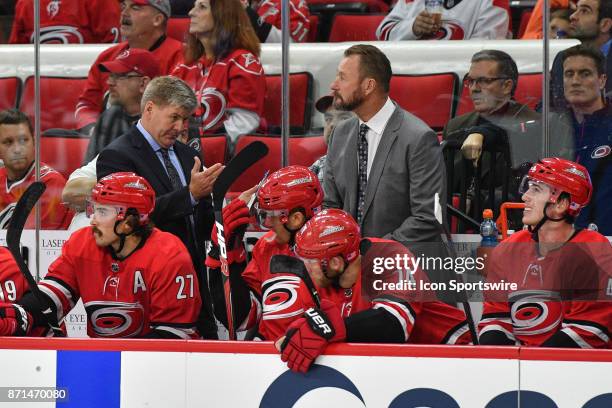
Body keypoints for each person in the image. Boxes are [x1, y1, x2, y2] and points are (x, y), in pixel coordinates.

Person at [0, 172, 203, 339]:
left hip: (161, 368)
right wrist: (20, 313)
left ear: (129, 222)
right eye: (94, 210)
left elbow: (174, 336)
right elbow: (54, 296)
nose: (93, 221)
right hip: (103, 358)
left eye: (103, 212)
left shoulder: (169, 255)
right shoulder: (82, 243)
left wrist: (118, 357)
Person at [97, 75, 222, 338]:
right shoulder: (116, 156)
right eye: (174, 117)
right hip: (144, 287)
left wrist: (224, 211)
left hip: (193, 283)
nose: (180, 127)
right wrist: (189, 195)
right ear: (150, 108)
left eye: (185, 120)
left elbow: (202, 223)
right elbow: (129, 221)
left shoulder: (189, 155)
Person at [275, 209, 471, 373]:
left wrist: (329, 328)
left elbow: (394, 324)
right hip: (397, 366)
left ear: (334, 262)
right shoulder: (322, 279)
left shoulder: (389, 256)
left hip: (457, 357)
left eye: (310, 262)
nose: (306, 269)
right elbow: (300, 329)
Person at [479, 158, 612, 348]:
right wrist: (504, 365)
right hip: (524, 366)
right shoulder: (509, 249)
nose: (525, 196)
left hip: (579, 371)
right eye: (528, 187)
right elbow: (496, 319)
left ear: (561, 204)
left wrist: (533, 367)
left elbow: (590, 330)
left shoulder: (593, 250)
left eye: (536, 189)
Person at [324, 44, 446, 244]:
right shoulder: (340, 134)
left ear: (368, 86)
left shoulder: (419, 138)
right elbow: (331, 205)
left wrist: (372, 253)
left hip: (403, 265)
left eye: (342, 77)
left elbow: (429, 217)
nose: (334, 85)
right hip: (350, 266)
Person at [206, 165, 323, 340]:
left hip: (323, 355)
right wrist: (224, 251)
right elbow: (242, 319)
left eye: (270, 215)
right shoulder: (267, 246)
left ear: (296, 218)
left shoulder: (333, 247)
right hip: (270, 356)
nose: (267, 224)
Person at [443, 50, 540, 218]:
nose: (474, 89)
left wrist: (473, 202)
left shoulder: (533, 126)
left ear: (507, 86)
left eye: (483, 81)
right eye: (471, 81)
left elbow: (521, 190)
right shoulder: (455, 126)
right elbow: (443, 183)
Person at [75, 0, 183, 131]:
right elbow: (87, 105)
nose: (124, 13)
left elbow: (177, 111)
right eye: (123, 6)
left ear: (157, 19)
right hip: (104, 137)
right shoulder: (106, 57)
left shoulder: (181, 57)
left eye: (135, 7)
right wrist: (93, 131)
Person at [171, 0, 265, 145]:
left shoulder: (243, 61)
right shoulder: (184, 65)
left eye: (201, 7)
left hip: (228, 160)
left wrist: (198, 147)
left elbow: (245, 122)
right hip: (185, 152)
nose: (191, 13)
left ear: (223, 15)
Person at [549, 44, 612, 235]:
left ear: (602, 80)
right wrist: (480, 133)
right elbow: (509, 125)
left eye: (585, 74)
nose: (575, 81)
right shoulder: (552, 125)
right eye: (569, 74)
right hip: (557, 237)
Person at [84, 48, 161, 164]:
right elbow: (89, 167)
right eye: (110, 76)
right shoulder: (109, 117)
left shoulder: (165, 122)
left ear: (143, 83)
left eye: (119, 76)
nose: (109, 82)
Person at [0, 109, 71, 230]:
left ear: (34, 142)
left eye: (23, 140)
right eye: (8, 142)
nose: (17, 149)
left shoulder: (49, 183)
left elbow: (29, 241)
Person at [550, 0, 612, 110]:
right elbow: (548, 105)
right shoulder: (562, 57)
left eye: (584, 11)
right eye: (576, 10)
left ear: (605, 24)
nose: (573, 16)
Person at [376, 0, 509, 41]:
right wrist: (412, 27)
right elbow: (382, 34)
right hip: (408, 73)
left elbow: (484, 53)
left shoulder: (493, 1)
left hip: (461, 80)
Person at [9, 0, 121, 44]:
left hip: (86, 78)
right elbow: (16, 54)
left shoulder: (100, 2)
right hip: (40, 82)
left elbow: (114, 49)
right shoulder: (26, 3)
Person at [309, 94, 355, 183]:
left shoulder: (373, 167)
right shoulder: (317, 168)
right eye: (328, 118)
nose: (332, 124)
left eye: (344, 118)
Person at [244, 0, 310, 43]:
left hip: (272, 61)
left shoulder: (293, 4)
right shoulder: (252, 3)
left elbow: (293, 47)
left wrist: (260, 26)